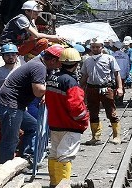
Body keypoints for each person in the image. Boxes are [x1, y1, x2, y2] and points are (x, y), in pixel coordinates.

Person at [0, 45, 64, 164]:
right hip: (9, 105)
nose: (62, 65)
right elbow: (38, 91)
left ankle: (26, 157)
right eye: (61, 62)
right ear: (53, 60)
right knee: (10, 139)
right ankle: (4, 167)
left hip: (15, 105)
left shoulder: (44, 65)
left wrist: (46, 93)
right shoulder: (39, 67)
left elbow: (43, 88)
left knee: (33, 127)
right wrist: (55, 90)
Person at [45, 48, 89, 187]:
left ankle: (54, 183)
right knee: (65, 156)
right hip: (70, 126)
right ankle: (63, 185)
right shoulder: (70, 82)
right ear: (76, 64)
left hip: (55, 123)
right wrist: (84, 119)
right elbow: (76, 107)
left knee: (54, 154)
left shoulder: (52, 78)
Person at [80, 37, 123, 145]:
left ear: (102, 47)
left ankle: (116, 135)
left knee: (111, 112)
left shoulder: (109, 58)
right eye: (93, 47)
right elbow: (85, 76)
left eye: (97, 47)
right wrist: (79, 89)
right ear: (90, 47)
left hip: (106, 88)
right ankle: (96, 137)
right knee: (93, 113)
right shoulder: (87, 60)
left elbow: (117, 74)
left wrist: (120, 87)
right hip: (91, 89)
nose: (95, 49)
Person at [0, 0, 65, 56]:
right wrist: (54, 37)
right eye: (34, 11)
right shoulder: (21, 19)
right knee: (43, 42)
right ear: (26, 12)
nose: (37, 13)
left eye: (38, 11)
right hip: (10, 47)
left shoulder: (30, 20)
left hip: (20, 45)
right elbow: (36, 35)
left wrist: (54, 40)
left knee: (46, 42)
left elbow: (34, 37)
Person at [111, 41, 130, 106]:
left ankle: (115, 100)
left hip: (114, 75)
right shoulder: (125, 55)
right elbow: (128, 66)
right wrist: (127, 74)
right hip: (123, 74)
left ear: (115, 47)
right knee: (121, 87)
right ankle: (120, 100)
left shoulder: (112, 56)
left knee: (114, 87)